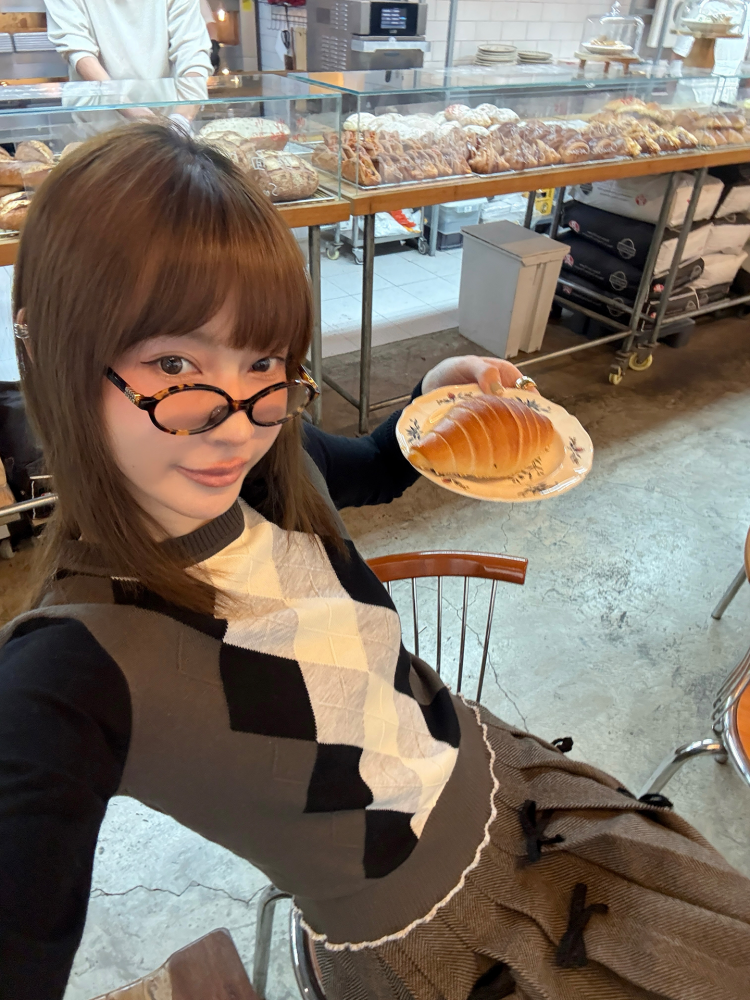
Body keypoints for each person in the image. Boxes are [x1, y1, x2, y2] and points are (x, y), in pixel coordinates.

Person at [1, 123, 749, 1000]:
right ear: (47, 349)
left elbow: (375, 465)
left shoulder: (274, 457)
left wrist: (437, 395)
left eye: (262, 359)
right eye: (174, 362)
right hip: (449, 946)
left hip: (512, 777)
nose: (236, 422)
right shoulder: (70, 671)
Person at [45, 0, 212, 113]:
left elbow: (192, 49)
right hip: (99, 125)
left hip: (166, 117)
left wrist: (181, 119)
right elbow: (79, 51)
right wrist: (135, 112)